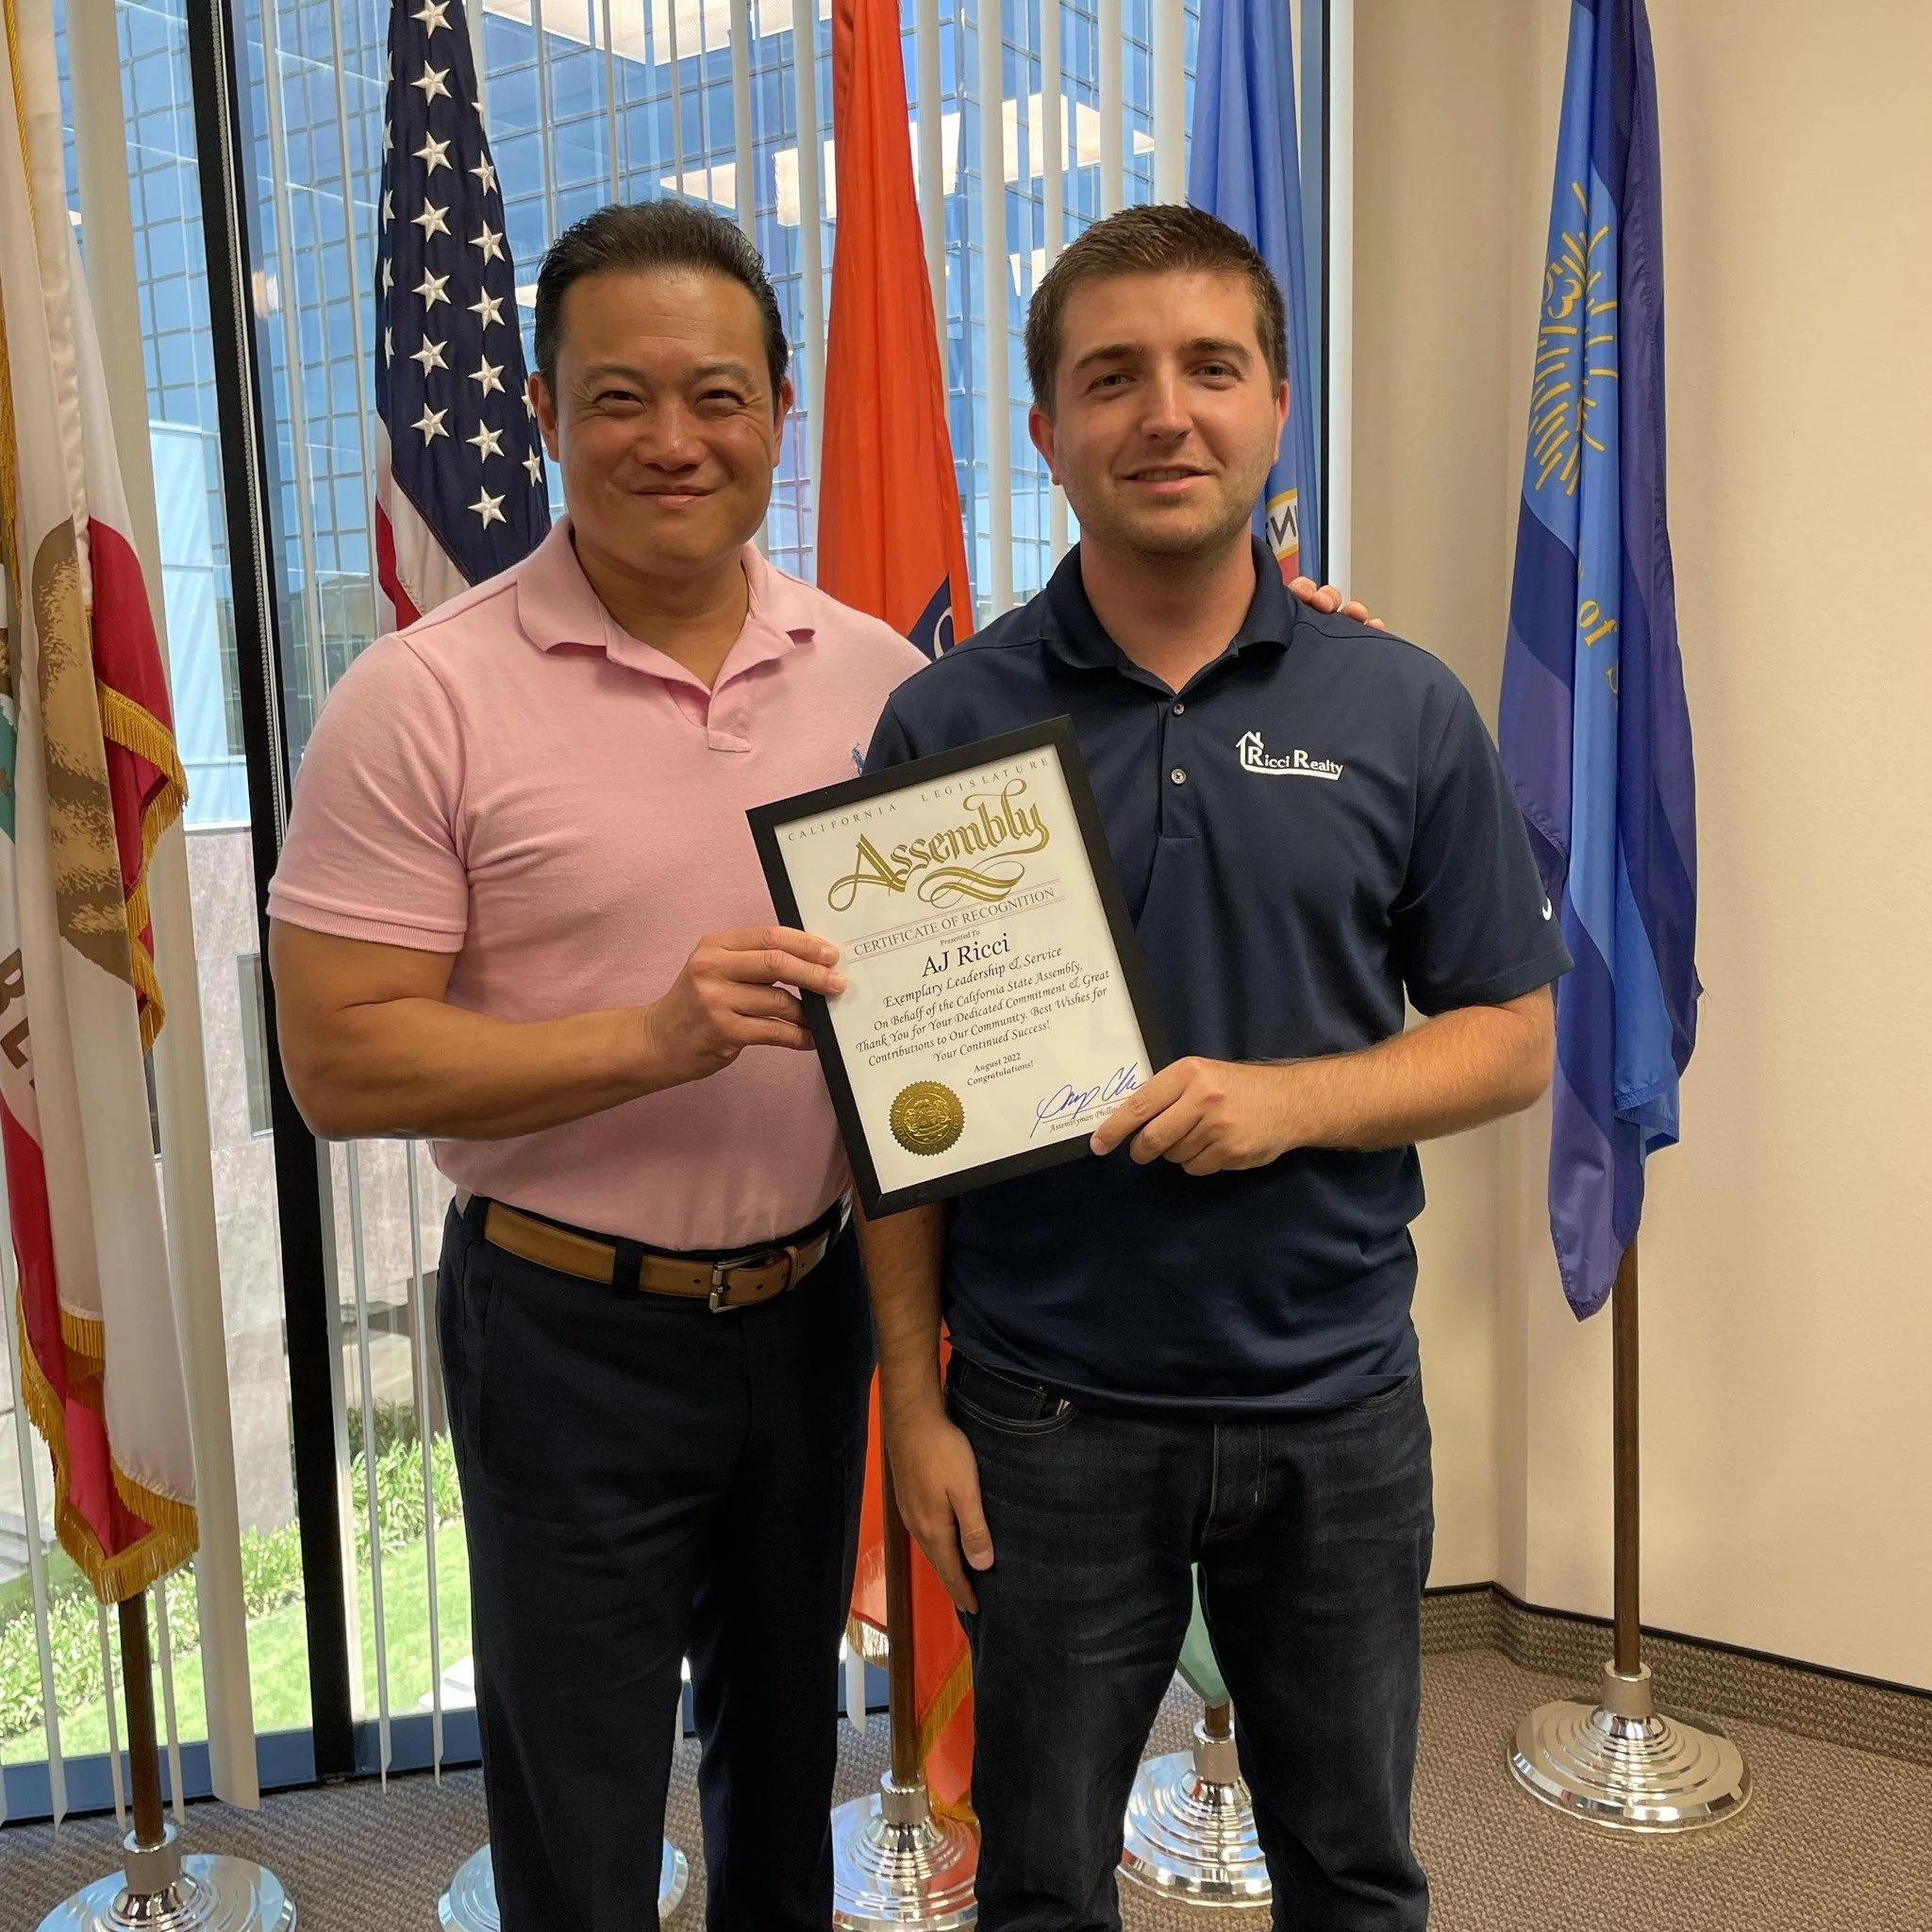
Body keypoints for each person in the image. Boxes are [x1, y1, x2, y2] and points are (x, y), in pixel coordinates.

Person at [267, 197, 1368, 1931]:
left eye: (717, 395)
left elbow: (1078, 789)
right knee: (585, 1801)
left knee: (792, 1769)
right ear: (542, 412)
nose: (672, 439)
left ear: (781, 410)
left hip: (813, 1313)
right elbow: (340, 1064)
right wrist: (648, 1040)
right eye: (617, 397)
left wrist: (1277, 644)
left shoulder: (882, 675)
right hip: (571, 1327)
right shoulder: (419, 699)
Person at [859, 204, 1573, 1932]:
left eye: (1210, 368)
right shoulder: (944, 725)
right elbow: (896, 1119)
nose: (1162, 413)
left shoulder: (1401, 706)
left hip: (1334, 1406)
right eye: (1110, 377)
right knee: (1038, 1884)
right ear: (1046, 427)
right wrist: (913, 1402)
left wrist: (1291, 1099)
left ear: (1274, 410)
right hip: (1045, 1415)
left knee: (1351, 1868)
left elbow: (1515, 1036)